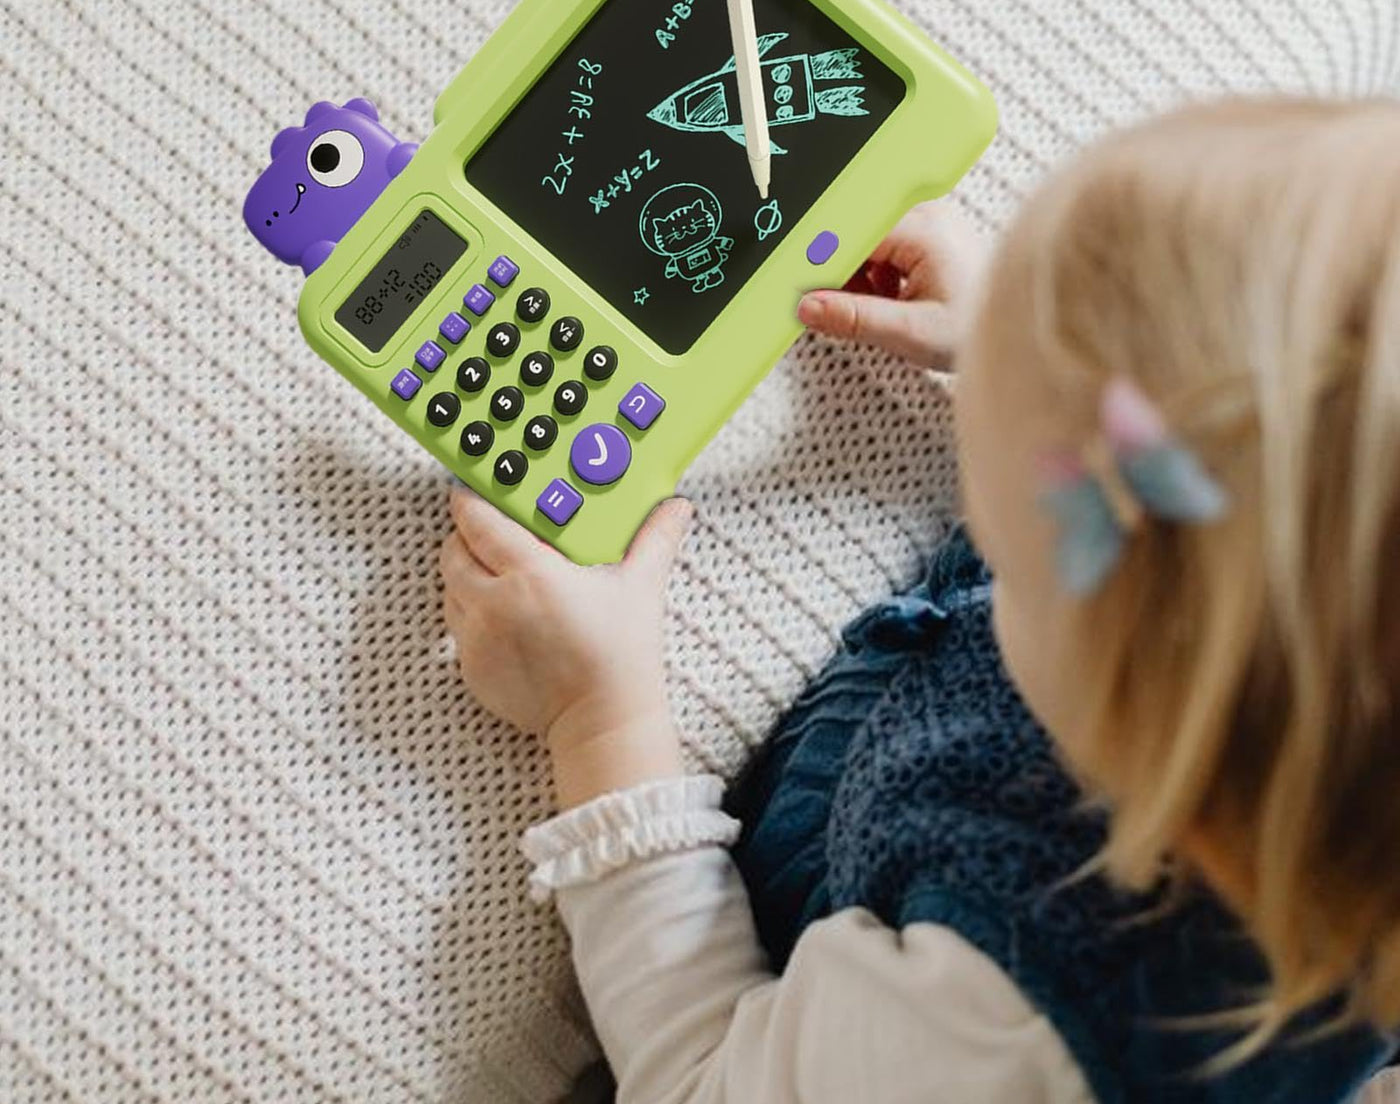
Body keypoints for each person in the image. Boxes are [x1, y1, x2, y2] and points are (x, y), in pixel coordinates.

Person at [440, 97, 1400, 1101]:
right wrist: (1020, 353)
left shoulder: (1014, 1024)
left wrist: (598, 715)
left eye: (1062, 504)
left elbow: (698, 1076)